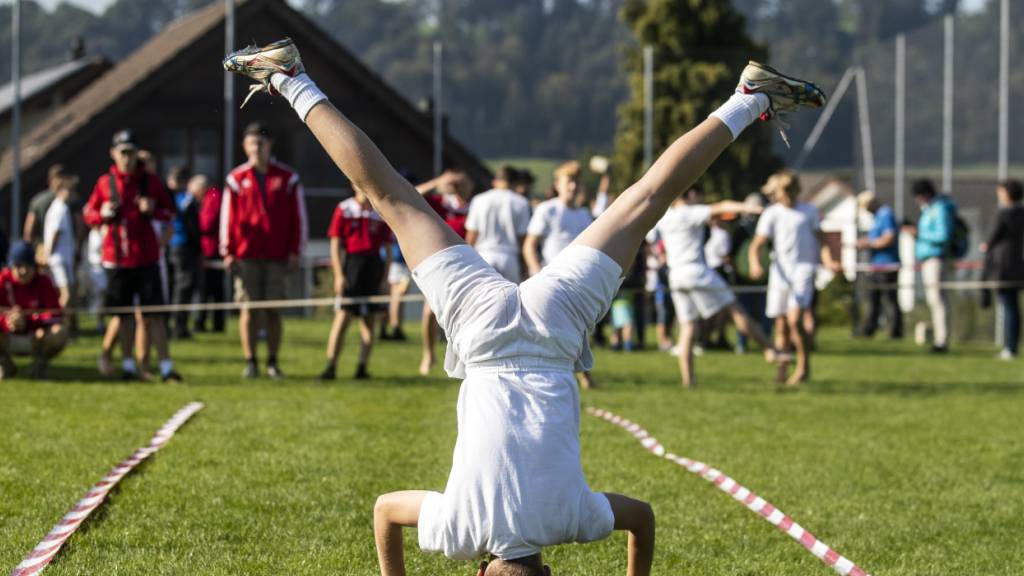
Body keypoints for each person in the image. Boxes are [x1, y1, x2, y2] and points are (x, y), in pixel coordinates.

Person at [225, 38, 822, 575]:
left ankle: (748, 99)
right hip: (482, 331)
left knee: (647, 200)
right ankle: (290, 78)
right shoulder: (459, 532)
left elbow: (641, 518)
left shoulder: (572, 522)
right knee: (391, 197)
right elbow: (385, 512)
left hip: (554, 326)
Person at [648, 186, 774, 388]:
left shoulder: (666, 217)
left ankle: (689, 380)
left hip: (676, 276)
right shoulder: (689, 213)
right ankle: (770, 349)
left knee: (688, 327)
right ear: (690, 195)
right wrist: (755, 209)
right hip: (696, 271)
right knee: (735, 309)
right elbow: (723, 206)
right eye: (699, 196)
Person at [82, 130, 181, 382]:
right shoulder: (105, 183)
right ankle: (127, 365)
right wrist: (102, 214)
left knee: (154, 315)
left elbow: (171, 213)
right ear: (113, 154)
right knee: (122, 315)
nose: (127, 157)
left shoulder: (151, 181)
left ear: (138, 153)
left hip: (147, 257)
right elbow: (89, 214)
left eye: (131, 152)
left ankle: (166, 367)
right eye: (122, 152)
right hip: (116, 258)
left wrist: (154, 210)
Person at [221, 122, 307, 379]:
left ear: (270, 145)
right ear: (245, 146)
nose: (257, 147)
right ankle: (250, 362)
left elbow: (298, 217)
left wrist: (296, 251)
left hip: (278, 254)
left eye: (261, 142)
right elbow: (228, 217)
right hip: (246, 254)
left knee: (272, 310)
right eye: (252, 142)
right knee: (248, 309)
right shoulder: (236, 179)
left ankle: (272, 361)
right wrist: (227, 250)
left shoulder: (288, 178)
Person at [749, 170, 838, 387]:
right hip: (780, 272)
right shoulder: (771, 213)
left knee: (795, 319)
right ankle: (782, 369)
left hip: (803, 269)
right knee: (780, 324)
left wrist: (828, 260)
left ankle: (803, 366)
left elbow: (822, 239)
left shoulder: (809, 211)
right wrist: (756, 263)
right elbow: (757, 245)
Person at [523, 160, 596, 388]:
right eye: (568, 181)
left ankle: (583, 374)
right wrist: (536, 273)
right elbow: (529, 245)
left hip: (578, 281)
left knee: (579, 330)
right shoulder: (548, 209)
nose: (573, 186)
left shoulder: (585, 215)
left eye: (576, 181)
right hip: (550, 280)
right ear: (558, 184)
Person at [319, 187, 392, 380]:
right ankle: (331, 366)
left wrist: (385, 279)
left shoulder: (379, 211)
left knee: (369, 323)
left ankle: (361, 367)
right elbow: (335, 244)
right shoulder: (344, 209)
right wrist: (339, 275)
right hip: (352, 266)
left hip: (373, 267)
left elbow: (388, 248)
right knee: (342, 319)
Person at [416, 169, 473, 375]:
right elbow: (414, 195)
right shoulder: (442, 203)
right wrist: (438, 181)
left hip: (467, 264)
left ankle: (463, 355)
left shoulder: (473, 208)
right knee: (429, 311)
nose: (459, 187)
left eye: (462, 183)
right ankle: (428, 353)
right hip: (441, 263)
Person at [0, 242, 69, 379]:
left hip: (36, 337)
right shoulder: (2, 280)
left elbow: (56, 314)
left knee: (60, 332)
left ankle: (39, 364)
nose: (23, 271)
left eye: (28, 266)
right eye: (19, 266)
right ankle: (4, 364)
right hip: (6, 337)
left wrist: (29, 321)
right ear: (11, 266)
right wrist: (6, 321)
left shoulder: (44, 282)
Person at [903, 179, 956, 353]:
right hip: (928, 259)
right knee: (934, 300)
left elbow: (943, 235)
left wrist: (919, 233)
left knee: (938, 300)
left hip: (936, 258)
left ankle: (942, 340)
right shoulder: (930, 210)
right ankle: (940, 338)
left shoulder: (938, 210)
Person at [980, 179, 1024, 360]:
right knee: (1013, 307)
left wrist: (985, 246)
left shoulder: (1003, 214)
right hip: (1018, 265)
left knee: (1008, 306)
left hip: (1003, 267)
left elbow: (991, 239)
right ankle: (1011, 346)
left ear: (1007, 194)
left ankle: (1009, 347)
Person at [465, 165, 531, 282]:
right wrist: (524, 268)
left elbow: (472, 235)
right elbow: (522, 239)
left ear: (495, 181)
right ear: (515, 183)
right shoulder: (521, 202)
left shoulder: (479, 199)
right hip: (510, 258)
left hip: (483, 256)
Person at [855, 191, 902, 339]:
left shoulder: (885, 214)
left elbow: (889, 238)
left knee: (889, 299)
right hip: (876, 265)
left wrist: (869, 243)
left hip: (887, 265)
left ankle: (895, 332)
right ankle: (868, 329)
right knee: (873, 298)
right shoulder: (876, 217)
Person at [169, 169, 202, 339]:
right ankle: (179, 326)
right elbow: (193, 227)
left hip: (177, 246)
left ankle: (178, 325)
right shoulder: (186, 200)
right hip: (183, 247)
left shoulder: (177, 198)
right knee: (184, 287)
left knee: (181, 287)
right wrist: (198, 247)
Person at [42, 175, 79, 310]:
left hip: (61, 257)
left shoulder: (60, 207)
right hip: (59, 258)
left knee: (64, 293)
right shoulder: (60, 208)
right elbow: (56, 233)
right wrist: (48, 254)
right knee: (66, 294)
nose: (72, 193)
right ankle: (57, 322)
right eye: (70, 190)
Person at [196, 179, 225, 333]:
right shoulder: (212, 197)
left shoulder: (213, 196)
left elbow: (207, 223)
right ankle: (213, 323)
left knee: (210, 289)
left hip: (211, 249)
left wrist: (195, 223)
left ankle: (208, 322)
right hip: (211, 248)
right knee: (211, 289)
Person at [22, 164, 66, 248]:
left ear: (49, 181)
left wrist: (30, 249)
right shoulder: (71, 200)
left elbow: (28, 231)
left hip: (41, 248)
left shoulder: (37, 200)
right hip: (64, 251)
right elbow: (79, 228)